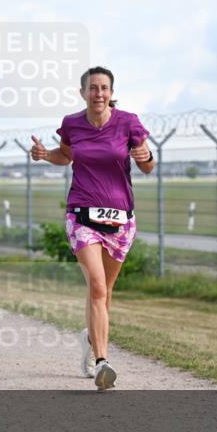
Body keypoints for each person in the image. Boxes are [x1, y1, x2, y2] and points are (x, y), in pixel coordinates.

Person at [30, 66, 154, 391]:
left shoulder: (128, 122)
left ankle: (89, 339)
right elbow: (66, 155)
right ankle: (103, 363)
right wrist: (45, 155)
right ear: (82, 92)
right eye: (93, 88)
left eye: (104, 88)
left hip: (120, 220)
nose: (98, 93)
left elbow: (147, 166)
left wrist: (147, 155)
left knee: (104, 293)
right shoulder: (72, 124)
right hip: (82, 216)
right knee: (97, 288)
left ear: (112, 93)